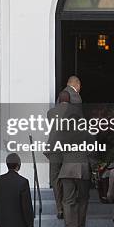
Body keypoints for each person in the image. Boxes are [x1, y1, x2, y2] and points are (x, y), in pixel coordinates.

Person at [58, 110, 94, 227]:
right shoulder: (86, 132)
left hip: (66, 169)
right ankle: (79, 225)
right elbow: (92, 150)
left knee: (68, 201)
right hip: (82, 168)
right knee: (83, 198)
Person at [45, 91, 71, 220]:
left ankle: (59, 208)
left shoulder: (51, 113)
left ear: (59, 100)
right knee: (67, 179)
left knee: (55, 179)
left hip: (54, 149)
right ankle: (67, 208)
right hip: (68, 151)